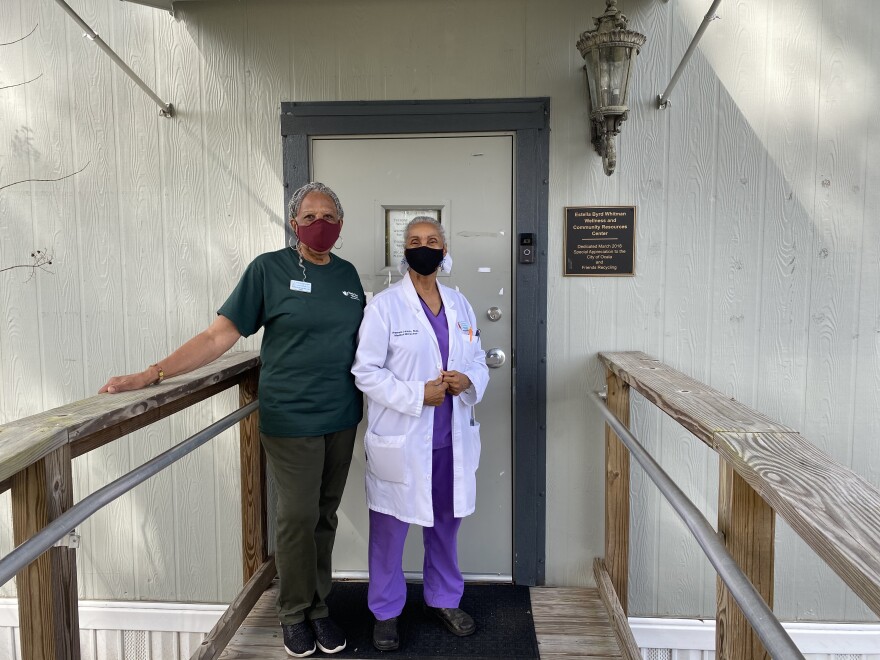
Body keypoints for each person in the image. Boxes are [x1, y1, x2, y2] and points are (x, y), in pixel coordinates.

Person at [99, 182, 364, 658]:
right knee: (297, 515)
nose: (319, 224)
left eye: (328, 216)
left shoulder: (347, 276)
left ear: (340, 225)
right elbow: (217, 336)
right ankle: (293, 611)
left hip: (342, 415)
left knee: (324, 514)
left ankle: (320, 608)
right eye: (309, 217)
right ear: (293, 223)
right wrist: (153, 372)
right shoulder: (269, 270)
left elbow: (365, 343)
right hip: (292, 415)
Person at [351, 216, 489, 652]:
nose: (423, 247)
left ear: (444, 249)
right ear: (404, 250)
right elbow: (365, 372)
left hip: (452, 440)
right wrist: (416, 394)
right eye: (415, 241)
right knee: (389, 531)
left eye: (432, 241)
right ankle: (386, 612)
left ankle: (444, 599)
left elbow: (479, 359)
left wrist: (468, 381)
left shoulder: (460, 304)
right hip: (404, 440)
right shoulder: (385, 307)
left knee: (446, 527)